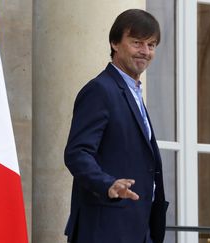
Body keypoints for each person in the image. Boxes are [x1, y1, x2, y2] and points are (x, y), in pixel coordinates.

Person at [64, 9, 168, 243]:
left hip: (139, 228)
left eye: (151, 45)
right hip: (106, 229)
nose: (145, 51)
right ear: (115, 43)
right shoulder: (100, 90)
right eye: (137, 42)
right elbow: (77, 153)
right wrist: (107, 184)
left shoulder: (133, 92)